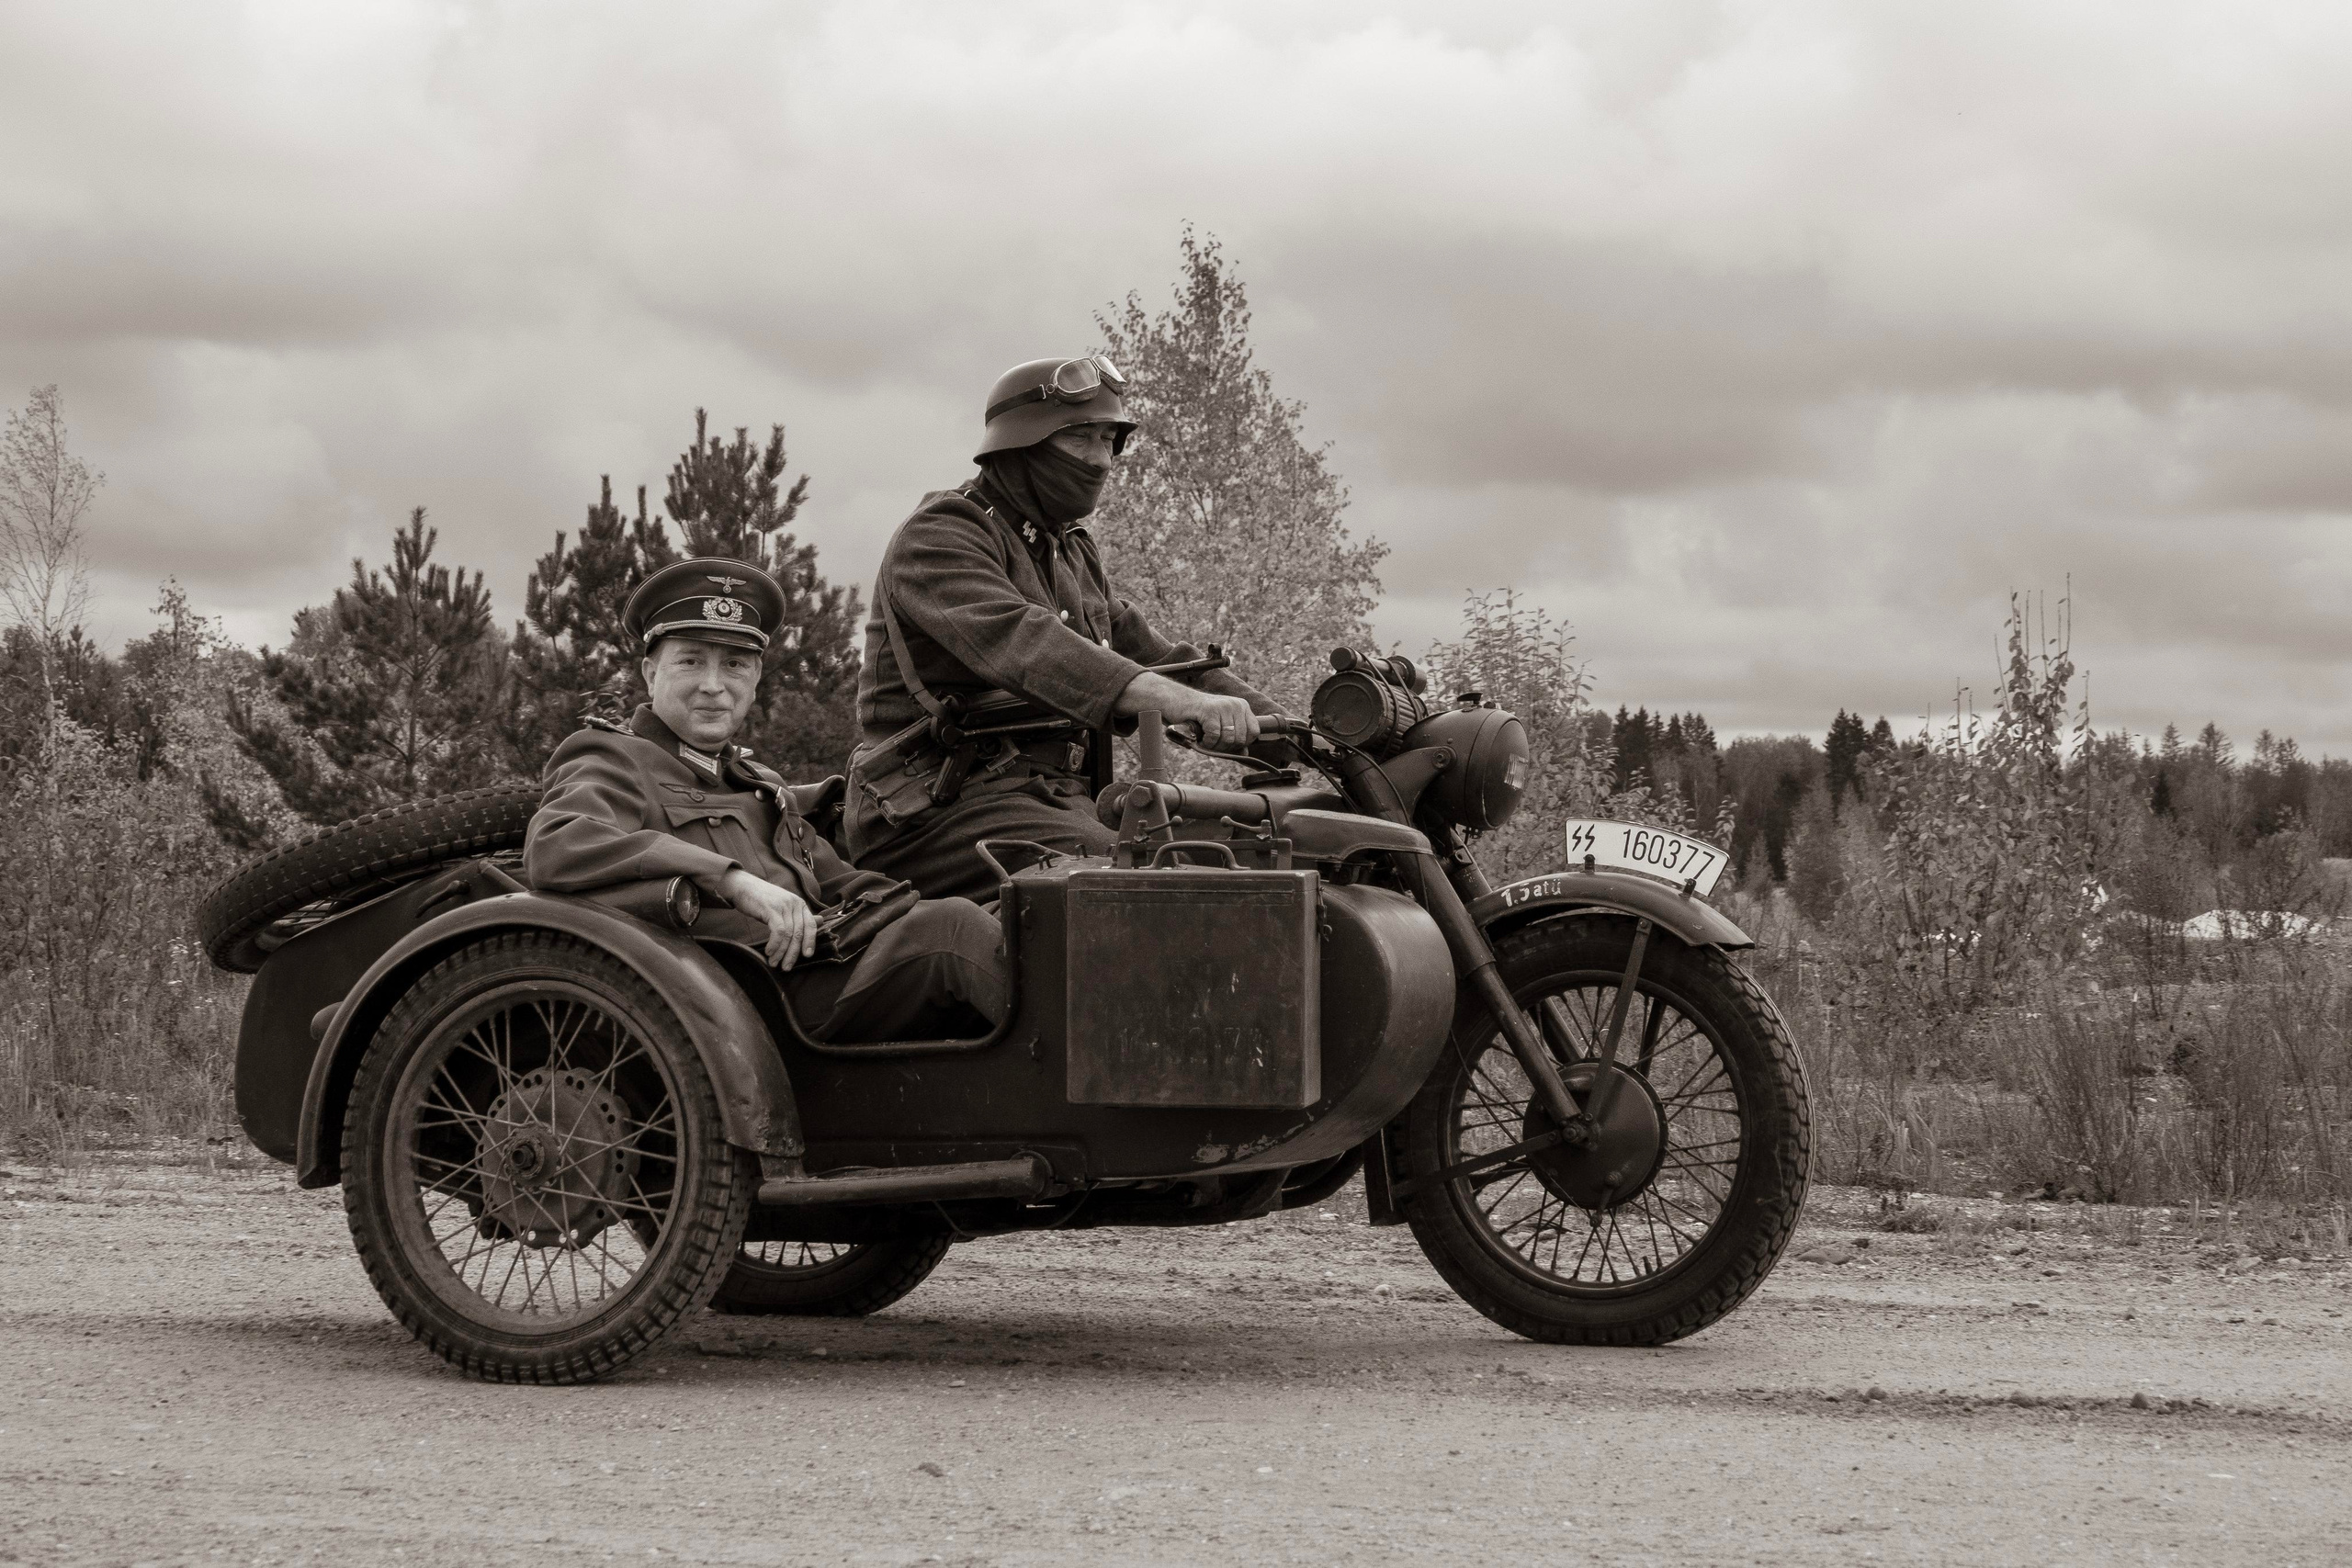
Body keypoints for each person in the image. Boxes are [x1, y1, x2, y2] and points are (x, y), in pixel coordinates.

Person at [846, 353, 1282, 900]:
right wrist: (1179, 703)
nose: (1101, 460)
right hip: (937, 810)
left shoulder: (1067, 549)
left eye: (1109, 441)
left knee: (1249, 855)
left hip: (1051, 803)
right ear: (1022, 444)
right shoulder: (942, 534)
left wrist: (1293, 731)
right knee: (1149, 891)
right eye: (1083, 439)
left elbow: (1154, 654)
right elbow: (1027, 645)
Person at [525, 558, 1008, 1043]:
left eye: (734, 664)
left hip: (822, 965)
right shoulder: (612, 756)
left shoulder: (759, 784)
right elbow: (558, 845)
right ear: (651, 674)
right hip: (734, 1007)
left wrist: (912, 904)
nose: (714, 685)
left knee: (1008, 920)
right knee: (955, 932)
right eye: (691, 660)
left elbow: (840, 881)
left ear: (754, 681)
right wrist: (733, 882)